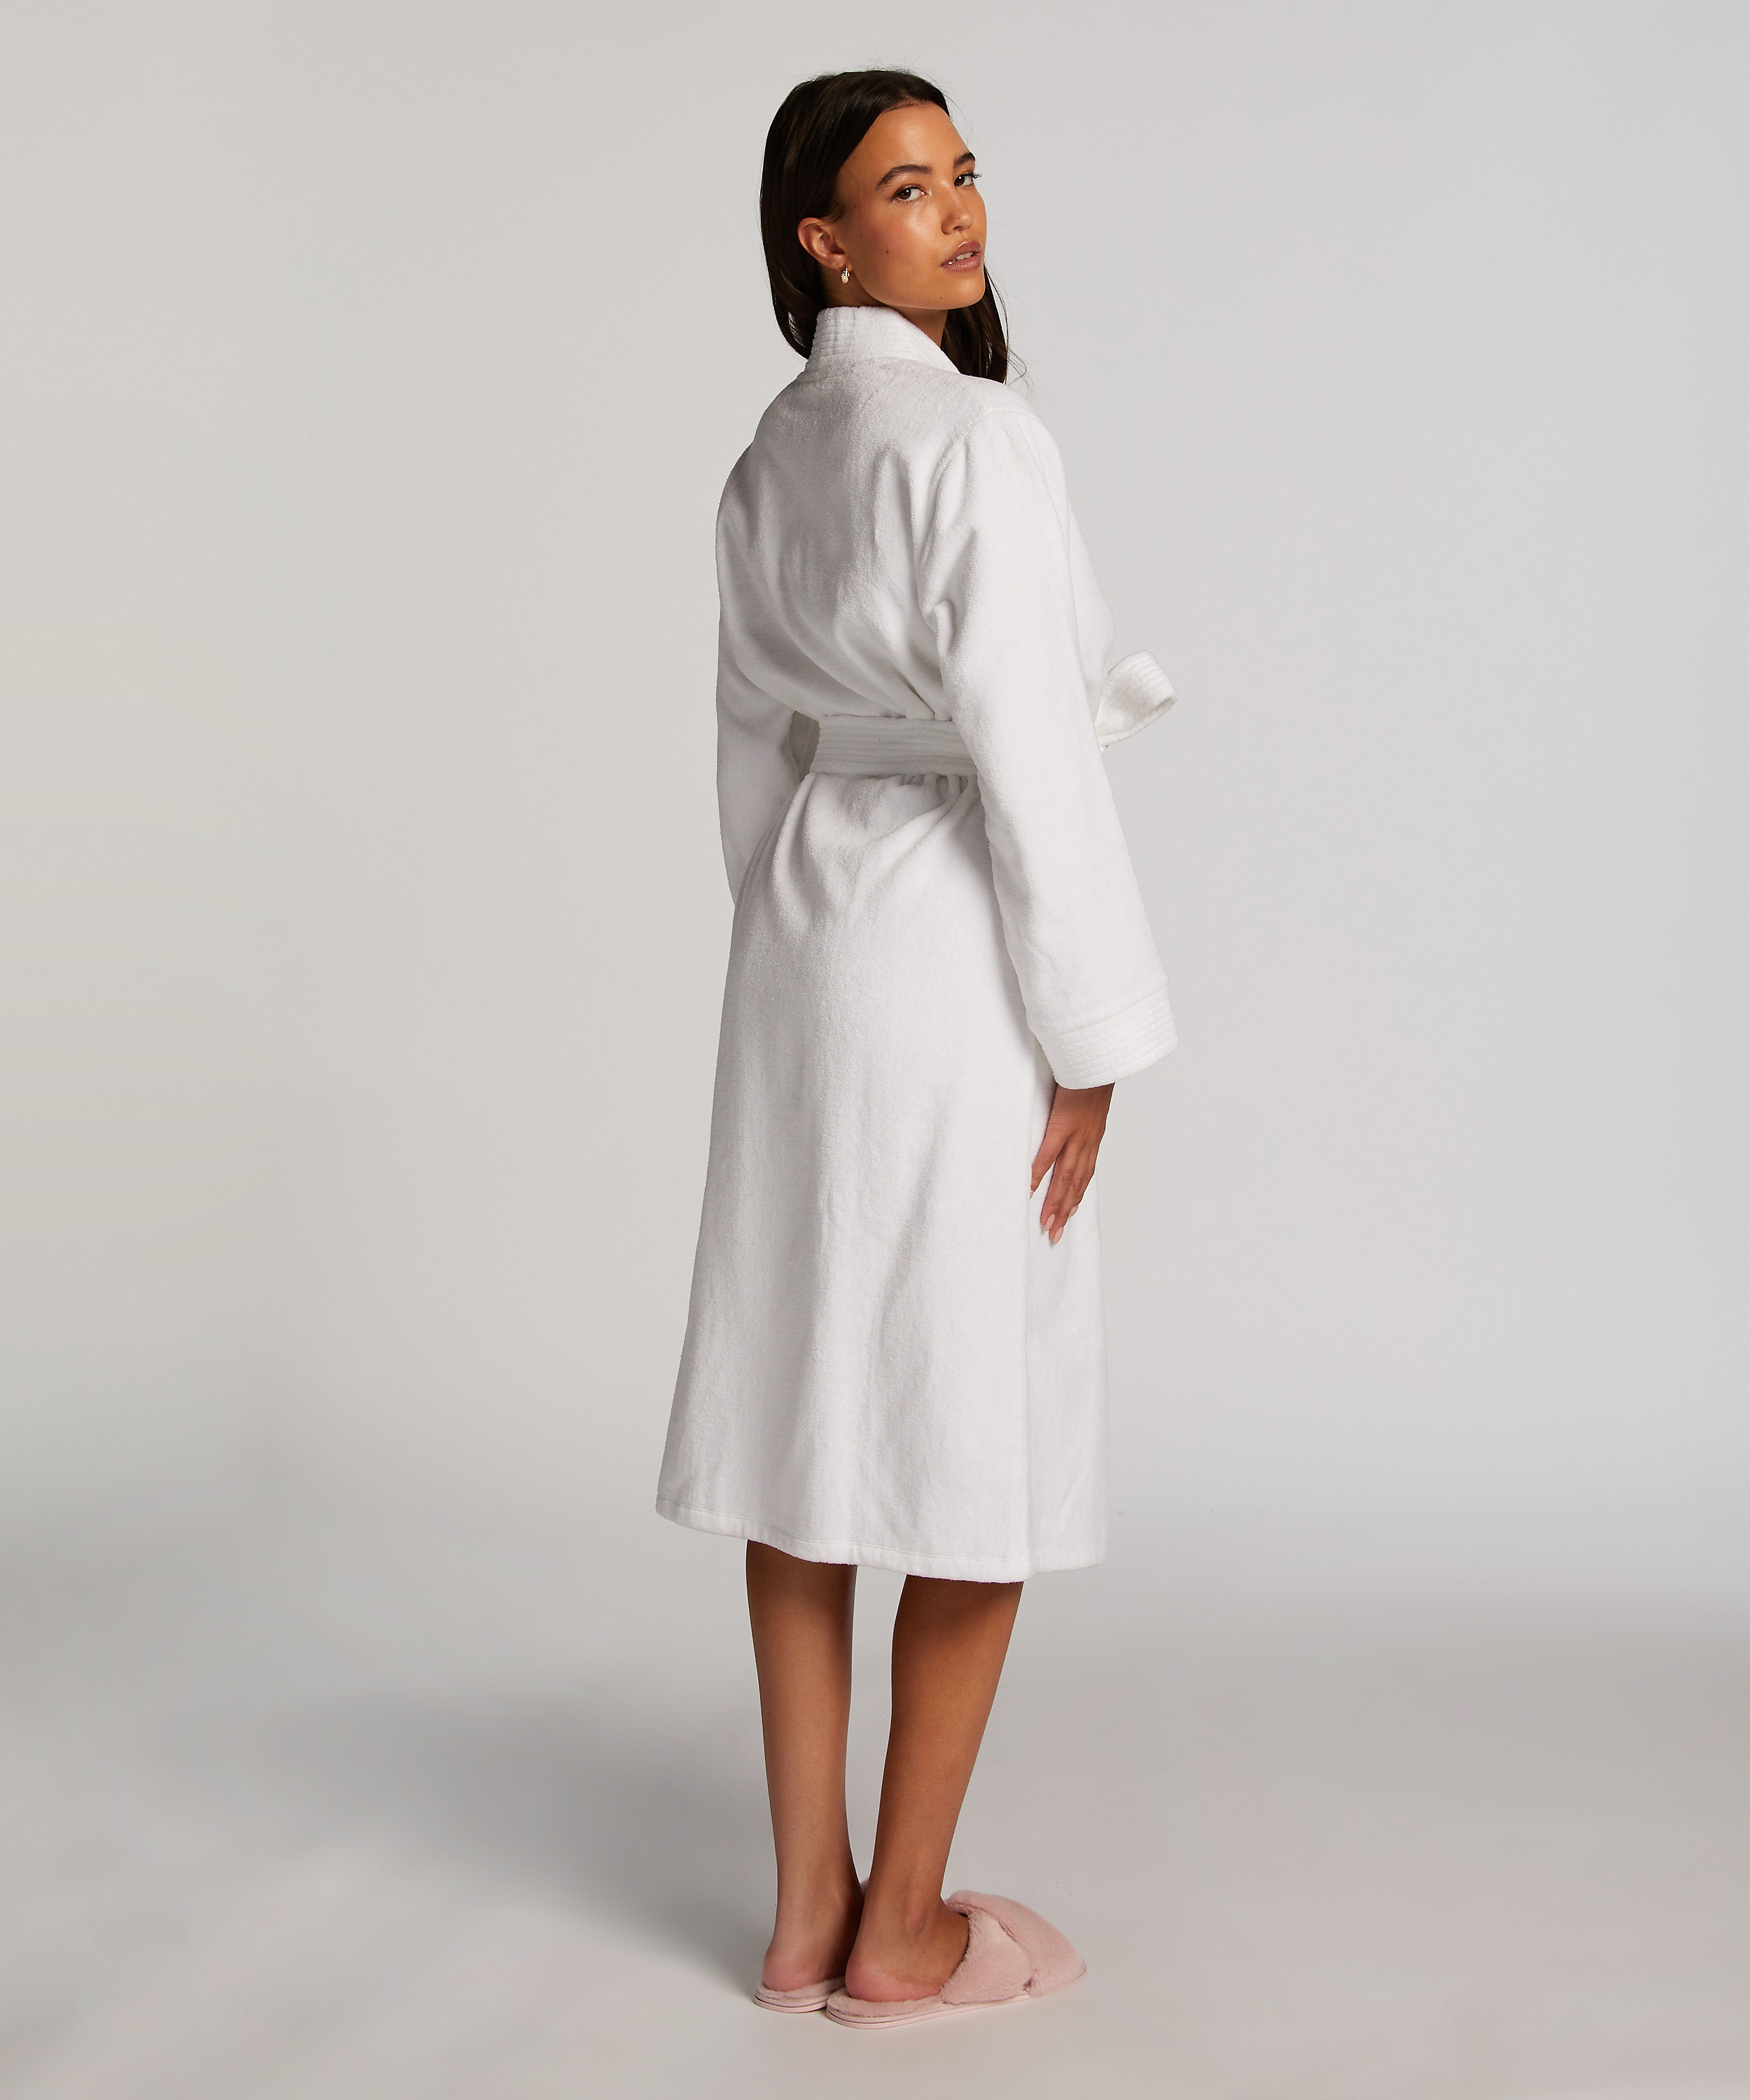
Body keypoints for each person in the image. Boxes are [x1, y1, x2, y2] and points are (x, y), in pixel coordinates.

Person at [655, 69, 1177, 2028]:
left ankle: (804, 1915)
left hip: (809, 947)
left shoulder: (767, 457)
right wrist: (1090, 1032)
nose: (955, 211)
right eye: (903, 187)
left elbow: (749, 742)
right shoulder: (972, 437)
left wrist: (790, 931)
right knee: (974, 1430)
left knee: (808, 1420)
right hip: (954, 951)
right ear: (824, 240)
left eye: (962, 175)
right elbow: (1032, 753)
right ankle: (901, 1935)